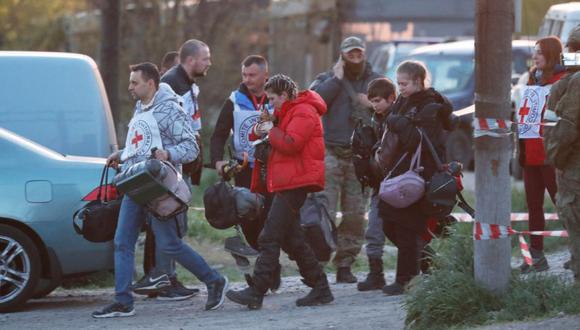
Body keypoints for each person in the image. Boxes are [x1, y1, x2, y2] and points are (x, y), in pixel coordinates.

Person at [92, 63, 227, 318]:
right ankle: (123, 301)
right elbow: (141, 143)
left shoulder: (171, 109)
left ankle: (214, 280)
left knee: (169, 244)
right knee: (122, 242)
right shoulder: (141, 107)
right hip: (136, 183)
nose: (130, 87)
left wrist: (168, 154)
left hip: (159, 188)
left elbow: (192, 147)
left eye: (135, 83)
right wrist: (122, 154)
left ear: (150, 83)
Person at [226, 74, 334, 309]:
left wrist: (271, 129)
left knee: (269, 235)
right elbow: (257, 135)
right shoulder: (287, 111)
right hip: (287, 181)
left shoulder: (304, 111)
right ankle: (321, 287)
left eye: (273, 98)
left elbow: (291, 143)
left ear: (284, 95)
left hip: (297, 182)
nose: (270, 103)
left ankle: (256, 291)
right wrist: (265, 125)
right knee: (293, 240)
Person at [134, 39, 212, 300]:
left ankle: (163, 277)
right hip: (167, 168)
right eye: (205, 58)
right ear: (191, 60)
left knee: (171, 224)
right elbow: (156, 126)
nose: (209, 63)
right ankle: (161, 278)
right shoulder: (170, 85)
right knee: (168, 222)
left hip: (179, 164)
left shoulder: (187, 84)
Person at [310, 36, 383, 283]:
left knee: (354, 214)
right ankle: (318, 264)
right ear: (341, 55)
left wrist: (371, 104)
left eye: (358, 53)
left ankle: (345, 265)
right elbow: (314, 103)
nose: (355, 57)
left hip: (359, 158)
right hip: (330, 153)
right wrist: (336, 80)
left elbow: (393, 106)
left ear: (364, 53)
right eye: (350, 53)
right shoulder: (327, 79)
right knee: (324, 213)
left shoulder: (376, 81)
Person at [378, 60, 454, 295]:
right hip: (403, 172)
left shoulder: (430, 105)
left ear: (419, 82)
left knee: (406, 228)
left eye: (405, 84)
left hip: (420, 175)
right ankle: (428, 263)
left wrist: (395, 121)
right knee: (390, 222)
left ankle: (406, 281)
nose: (400, 88)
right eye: (399, 83)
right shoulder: (406, 101)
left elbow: (417, 141)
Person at [210, 55, 272, 254]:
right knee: (248, 216)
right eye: (244, 75)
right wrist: (217, 161)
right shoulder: (234, 100)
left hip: (273, 168)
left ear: (265, 75)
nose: (247, 79)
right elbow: (219, 134)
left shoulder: (277, 97)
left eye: (252, 75)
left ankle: (269, 261)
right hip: (244, 168)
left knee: (272, 218)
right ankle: (260, 257)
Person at [516, 36, 565, 273]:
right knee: (533, 206)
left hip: (552, 155)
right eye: (534, 52)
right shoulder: (531, 80)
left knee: (564, 206)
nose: (535, 57)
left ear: (552, 55)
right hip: (530, 154)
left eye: (540, 52)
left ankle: (576, 253)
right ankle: (536, 257)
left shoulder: (564, 82)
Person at [354, 77, 397, 291]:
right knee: (374, 229)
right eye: (372, 101)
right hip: (380, 184)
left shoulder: (397, 120)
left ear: (392, 98)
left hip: (398, 185)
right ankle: (375, 273)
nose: (375, 105)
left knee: (403, 231)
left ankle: (424, 266)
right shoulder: (375, 119)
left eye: (379, 100)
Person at [545, 26, 580, 283]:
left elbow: (566, 127)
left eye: (574, 49)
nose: (570, 54)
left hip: (574, 167)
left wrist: (555, 157)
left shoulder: (575, 82)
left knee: (573, 217)